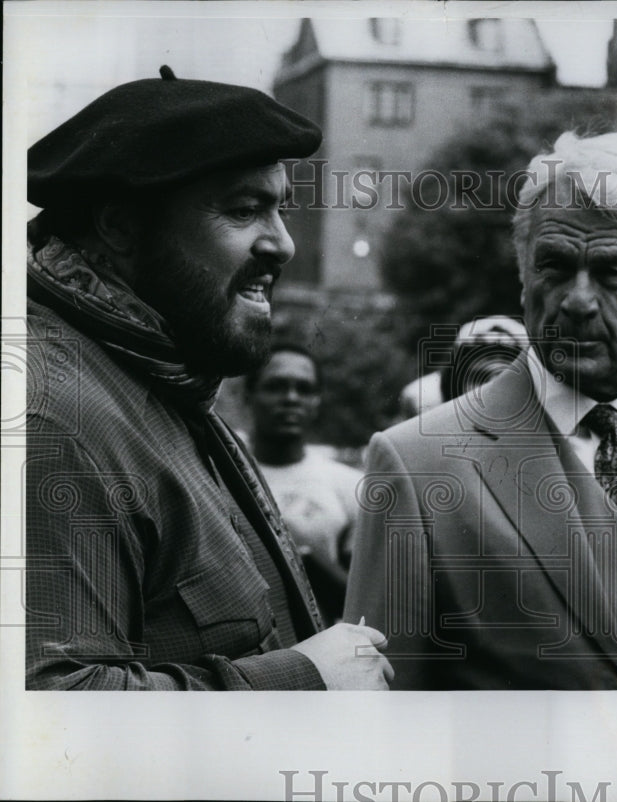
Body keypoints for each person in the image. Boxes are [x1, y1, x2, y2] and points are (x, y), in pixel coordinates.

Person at [345, 132, 617, 690]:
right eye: (554, 267)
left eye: (612, 273)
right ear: (523, 276)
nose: (578, 301)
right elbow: (378, 718)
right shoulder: (417, 463)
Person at [24, 67, 393, 690]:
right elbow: (52, 714)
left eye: (281, 210)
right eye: (244, 210)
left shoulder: (163, 375)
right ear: (119, 227)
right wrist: (304, 681)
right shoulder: (56, 418)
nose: (283, 245)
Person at [246, 344, 364, 625]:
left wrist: (308, 562)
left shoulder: (349, 485)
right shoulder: (217, 472)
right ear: (249, 395)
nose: (290, 398)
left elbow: (360, 602)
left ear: (317, 401)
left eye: (304, 389)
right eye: (275, 387)